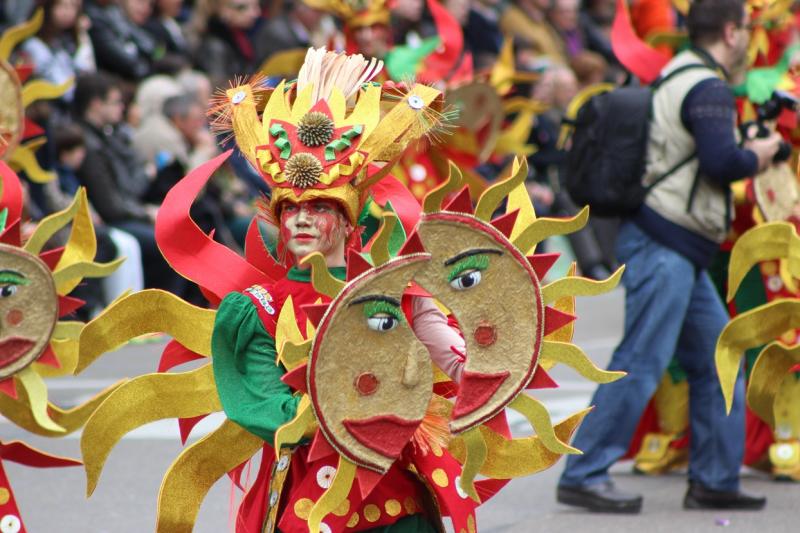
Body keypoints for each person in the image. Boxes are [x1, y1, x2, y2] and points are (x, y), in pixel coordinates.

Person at [210, 49, 467, 532]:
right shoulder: (256, 309)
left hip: (395, 494)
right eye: (291, 209)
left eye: (321, 206)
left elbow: (462, 362)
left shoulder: (395, 292)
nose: (303, 217)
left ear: (350, 224)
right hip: (312, 491)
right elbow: (259, 402)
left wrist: (495, 352)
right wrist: (346, 415)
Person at [556, 0, 782, 513]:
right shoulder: (709, 86)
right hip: (667, 242)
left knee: (718, 360)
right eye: (745, 29)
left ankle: (715, 479)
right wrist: (763, 153)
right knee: (641, 358)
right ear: (730, 31)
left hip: (670, 243)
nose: (748, 38)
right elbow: (723, 163)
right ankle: (584, 472)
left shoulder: (676, 75)